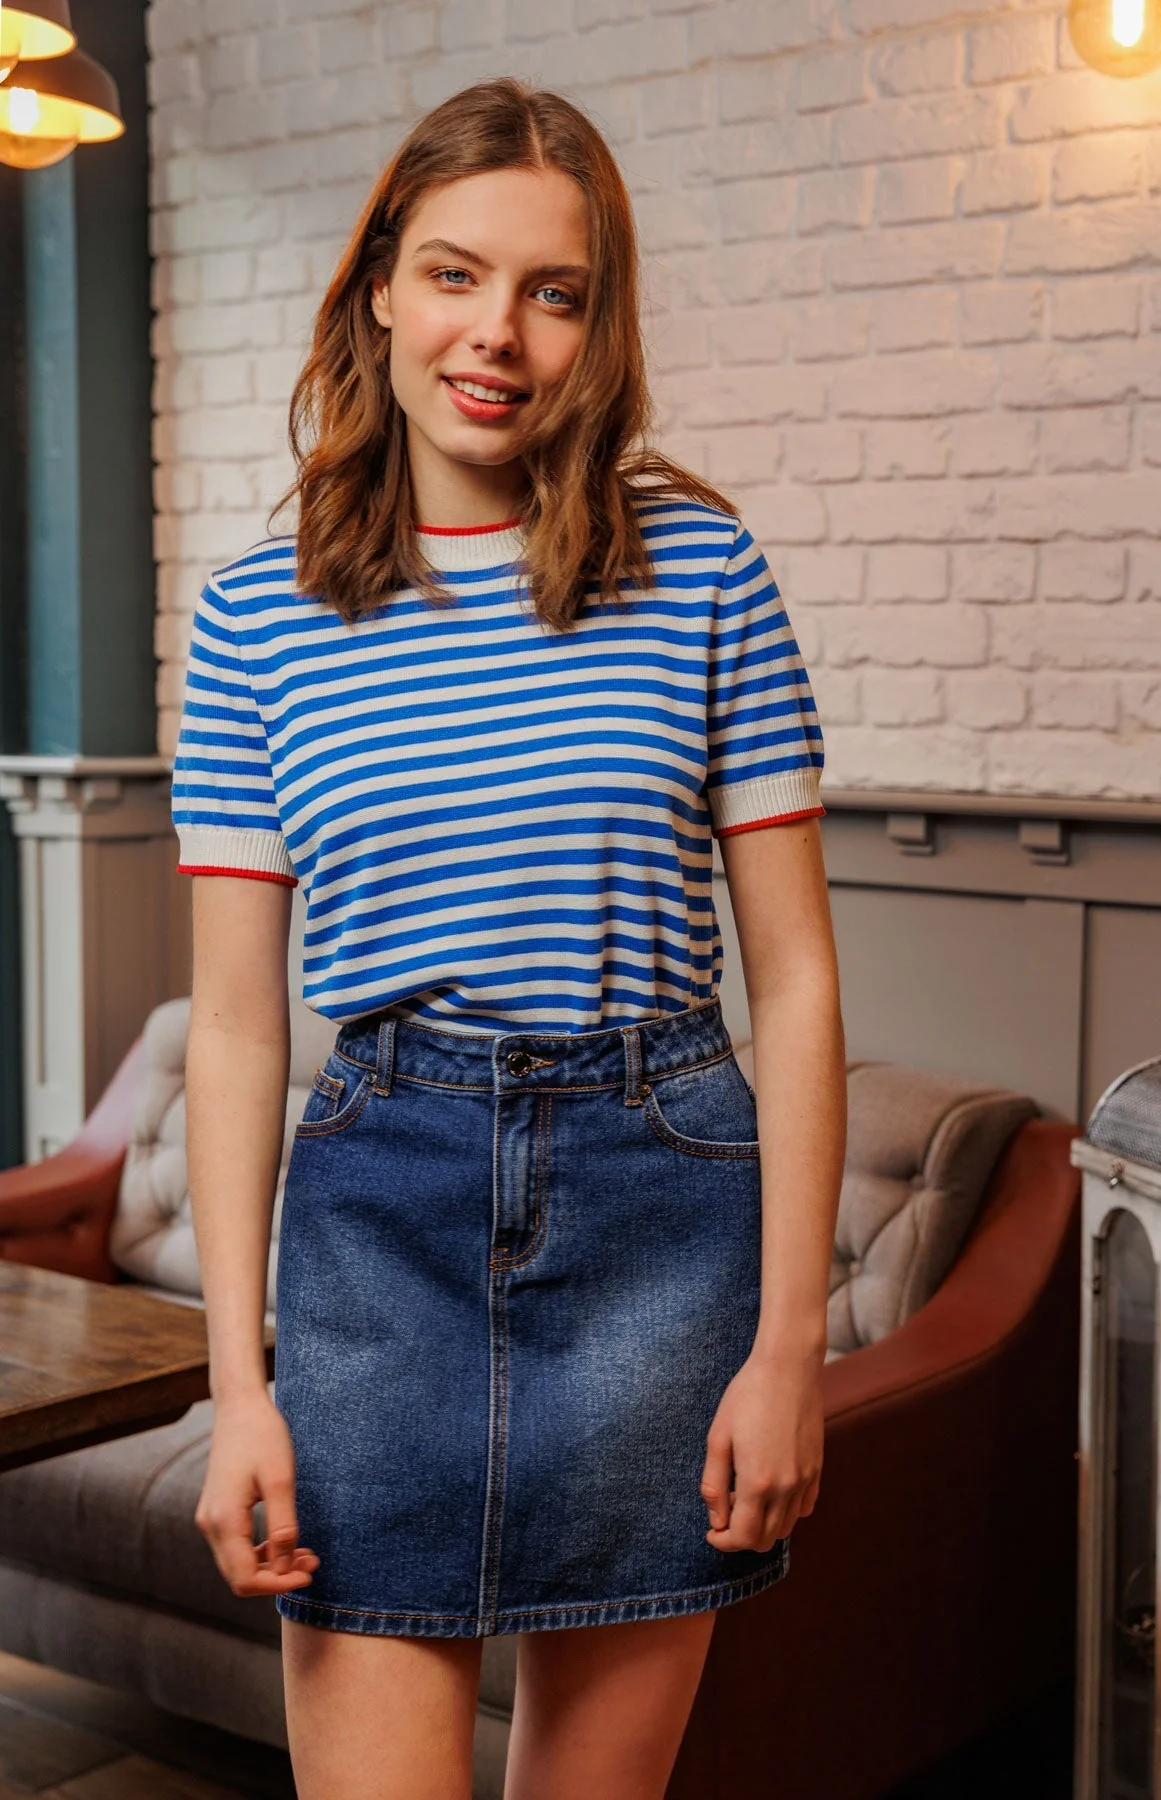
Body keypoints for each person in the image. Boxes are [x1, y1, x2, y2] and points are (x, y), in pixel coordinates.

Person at [171, 75, 846, 1800]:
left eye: (555, 293)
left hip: (656, 1216)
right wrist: (239, 1388)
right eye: (458, 275)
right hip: (376, 1228)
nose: (499, 335)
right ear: (380, 285)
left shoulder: (701, 572)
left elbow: (798, 980)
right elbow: (239, 1028)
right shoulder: (257, 618)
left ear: (597, 327)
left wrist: (785, 1355)